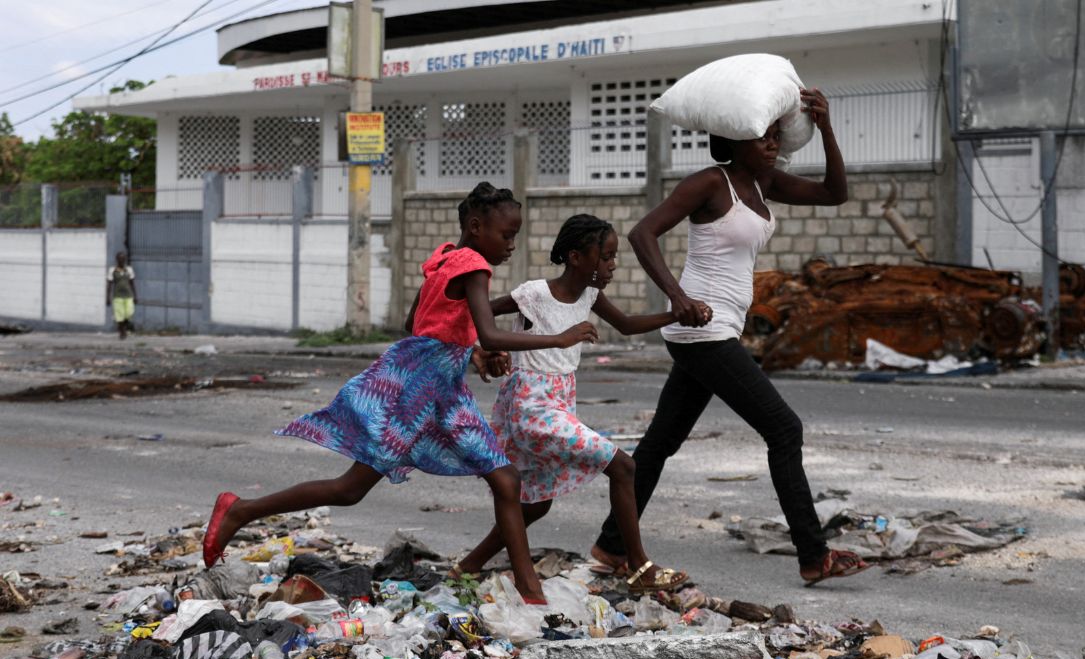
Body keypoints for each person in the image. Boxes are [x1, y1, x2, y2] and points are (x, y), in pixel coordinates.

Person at [201, 182, 598, 604]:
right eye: (506, 234)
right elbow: (488, 329)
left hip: (429, 388)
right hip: (419, 395)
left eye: (515, 235)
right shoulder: (472, 265)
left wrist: (473, 356)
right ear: (477, 227)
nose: (512, 244)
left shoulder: (444, 258)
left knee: (490, 480)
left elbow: (419, 323)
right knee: (482, 480)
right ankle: (239, 509)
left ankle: (528, 589)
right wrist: (558, 339)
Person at [591, 88, 871, 587]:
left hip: (713, 330)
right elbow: (642, 233)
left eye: (773, 134)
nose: (770, 142)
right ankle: (813, 555)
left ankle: (611, 546)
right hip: (702, 329)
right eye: (758, 135)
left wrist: (826, 127)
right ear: (732, 140)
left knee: (659, 443)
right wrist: (676, 296)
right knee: (784, 429)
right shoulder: (709, 183)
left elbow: (836, 194)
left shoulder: (764, 185)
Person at [450, 214, 701, 593]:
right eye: (606, 257)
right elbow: (478, 313)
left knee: (536, 505)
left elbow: (629, 325)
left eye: (614, 257)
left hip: (560, 403)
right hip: (530, 406)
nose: (612, 265)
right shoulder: (533, 293)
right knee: (623, 466)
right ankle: (639, 568)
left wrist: (677, 313)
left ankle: (467, 565)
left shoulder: (590, 295)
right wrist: (482, 348)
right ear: (576, 257)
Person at [106, 251, 137, 340]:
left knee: (129, 313)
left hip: (128, 295)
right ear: (117, 260)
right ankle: (122, 332)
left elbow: (132, 283)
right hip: (117, 296)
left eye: (123, 259)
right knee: (119, 316)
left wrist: (135, 296)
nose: (122, 260)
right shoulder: (112, 270)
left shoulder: (129, 270)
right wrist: (107, 297)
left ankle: (127, 324)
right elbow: (109, 284)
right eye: (120, 259)